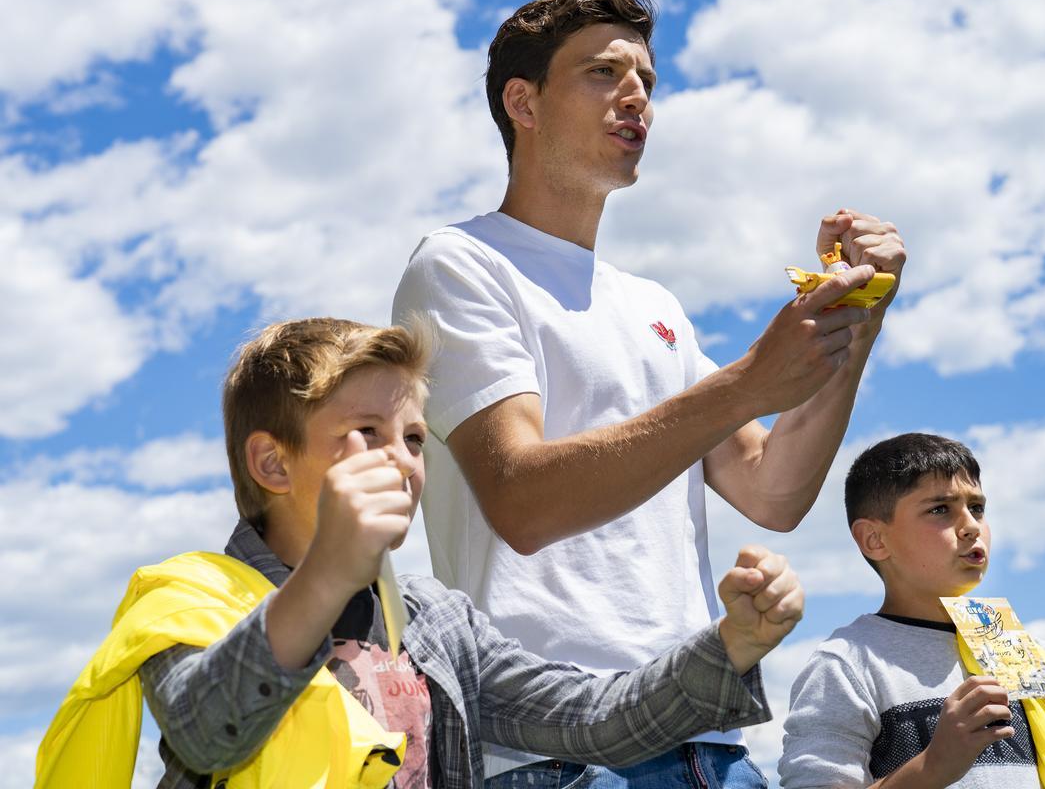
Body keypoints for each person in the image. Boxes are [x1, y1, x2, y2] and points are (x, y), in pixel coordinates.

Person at [392, 0, 906, 784]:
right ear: (521, 102)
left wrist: (856, 321)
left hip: (712, 742)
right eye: (604, 72)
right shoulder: (460, 265)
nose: (637, 96)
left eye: (647, 80)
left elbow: (774, 490)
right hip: (553, 754)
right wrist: (743, 385)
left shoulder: (655, 305)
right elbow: (522, 501)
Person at [36, 317, 806, 789]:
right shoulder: (186, 593)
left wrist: (730, 645)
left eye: (412, 438)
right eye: (364, 433)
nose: (403, 459)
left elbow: (591, 721)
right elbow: (209, 733)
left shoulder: (437, 621)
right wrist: (327, 574)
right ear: (273, 465)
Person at [778, 432, 1045, 788]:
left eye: (977, 507)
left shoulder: (1013, 647)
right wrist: (931, 767)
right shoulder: (846, 664)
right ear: (874, 540)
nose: (970, 525)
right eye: (940, 509)